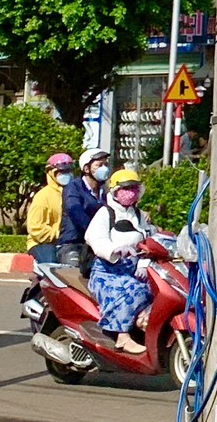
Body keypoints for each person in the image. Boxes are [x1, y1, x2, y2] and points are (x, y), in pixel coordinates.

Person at [85, 167, 152, 354]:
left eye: (134, 188)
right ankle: (122, 336)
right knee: (131, 290)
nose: (130, 193)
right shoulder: (105, 213)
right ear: (115, 191)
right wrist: (115, 250)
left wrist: (144, 261)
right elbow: (94, 238)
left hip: (133, 268)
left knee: (153, 288)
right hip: (108, 272)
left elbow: (148, 238)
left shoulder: (137, 215)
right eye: (126, 188)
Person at [61, 149, 110, 277]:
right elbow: (74, 209)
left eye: (106, 165)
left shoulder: (105, 192)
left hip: (95, 245)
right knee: (76, 278)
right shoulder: (74, 187)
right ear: (87, 169)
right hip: (73, 245)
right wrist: (94, 231)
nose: (104, 168)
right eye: (99, 165)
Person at [25, 151, 74, 266]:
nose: (65, 174)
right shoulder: (43, 197)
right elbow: (35, 228)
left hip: (71, 241)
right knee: (52, 266)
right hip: (43, 243)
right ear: (50, 173)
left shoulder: (76, 193)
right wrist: (58, 234)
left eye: (68, 171)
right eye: (60, 172)